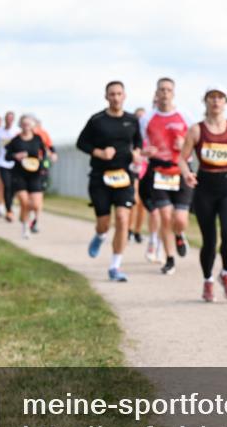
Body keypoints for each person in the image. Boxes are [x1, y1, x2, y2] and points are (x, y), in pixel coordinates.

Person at [178, 87, 227, 301]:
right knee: (209, 240)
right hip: (205, 187)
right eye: (212, 98)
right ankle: (208, 281)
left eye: (220, 98)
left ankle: (226, 275)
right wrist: (187, 174)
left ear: (225, 102)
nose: (216, 101)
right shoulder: (196, 130)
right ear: (206, 102)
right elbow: (182, 159)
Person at [77, 81, 143, 282]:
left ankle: (115, 266)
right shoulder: (97, 120)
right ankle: (99, 236)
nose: (115, 97)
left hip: (124, 176)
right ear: (106, 97)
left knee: (123, 219)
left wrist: (137, 153)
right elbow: (81, 143)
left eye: (119, 94)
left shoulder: (132, 120)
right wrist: (99, 152)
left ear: (125, 96)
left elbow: (138, 141)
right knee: (104, 224)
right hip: (100, 177)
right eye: (112, 94)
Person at [140, 77, 194, 274]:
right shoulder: (146, 119)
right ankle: (170, 258)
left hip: (181, 171)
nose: (165, 93)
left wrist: (185, 145)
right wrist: (146, 152)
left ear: (173, 93)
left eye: (168, 89)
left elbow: (196, 141)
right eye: (161, 89)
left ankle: (180, 234)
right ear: (156, 92)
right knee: (164, 216)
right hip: (159, 172)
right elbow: (140, 146)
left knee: (180, 219)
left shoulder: (185, 115)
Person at [5, 115, 47, 239]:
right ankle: (25, 228)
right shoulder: (16, 140)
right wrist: (16, 156)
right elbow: (7, 156)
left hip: (35, 174)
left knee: (35, 204)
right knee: (25, 202)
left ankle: (32, 221)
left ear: (32, 125)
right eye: (24, 124)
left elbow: (44, 154)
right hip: (19, 174)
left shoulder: (38, 139)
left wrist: (43, 163)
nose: (26, 126)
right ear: (20, 125)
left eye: (29, 124)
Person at [30, 118, 58, 234]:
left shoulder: (43, 134)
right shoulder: (23, 135)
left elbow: (51, 147)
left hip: (41, 165)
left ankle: (35, 219)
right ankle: (30, 213)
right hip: (27, 167)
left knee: (39, 192)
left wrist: (53, 155)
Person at [0, 111, 18, 221]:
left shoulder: (17, 132)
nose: (9, 120)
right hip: (2, 162)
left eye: (11, 118)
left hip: (14, 163)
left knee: (13, 187)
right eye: (7, 118)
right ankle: (6, 208)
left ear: (13, 120)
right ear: (5, 119)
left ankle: (9, 203)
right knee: (5, 185)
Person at [130, 107, 148, 245]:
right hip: (133, 171)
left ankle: (137, 231)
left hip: (146, 173)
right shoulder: (131, 137)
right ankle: (129, 229)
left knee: (142, 204)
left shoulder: (150, 136)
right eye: (138, 117)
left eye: (143, 117)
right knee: (134, 200)